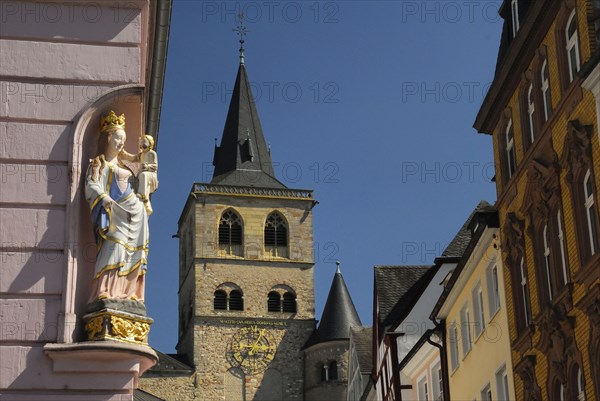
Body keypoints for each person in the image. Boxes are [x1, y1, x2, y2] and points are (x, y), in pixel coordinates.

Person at [85, 111, 149, 303]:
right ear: (108, 137)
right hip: (114, 212)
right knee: (114, 248)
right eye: (118, 138)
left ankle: (131, 293)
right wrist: (103, 197)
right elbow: (91, 184)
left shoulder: (126, 164)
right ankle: (105, 290)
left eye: (124, 139)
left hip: (136, 215)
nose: (121, 143)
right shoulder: (99, 163)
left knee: (134, 252)